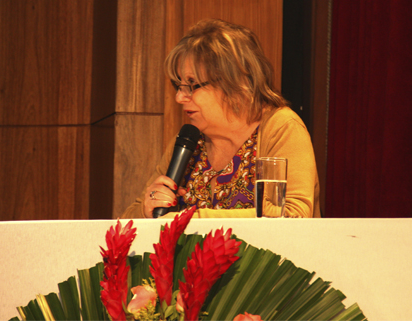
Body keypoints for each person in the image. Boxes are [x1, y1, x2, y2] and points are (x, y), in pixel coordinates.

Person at [121, 19, 320, 219]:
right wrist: (146, 209)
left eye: (191, 84)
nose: (179, 97)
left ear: (234, 82)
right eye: (178, 85)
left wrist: (192, 220)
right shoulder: (188, 142)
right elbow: (125, 223)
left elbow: (294, 215)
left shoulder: (281, 127)